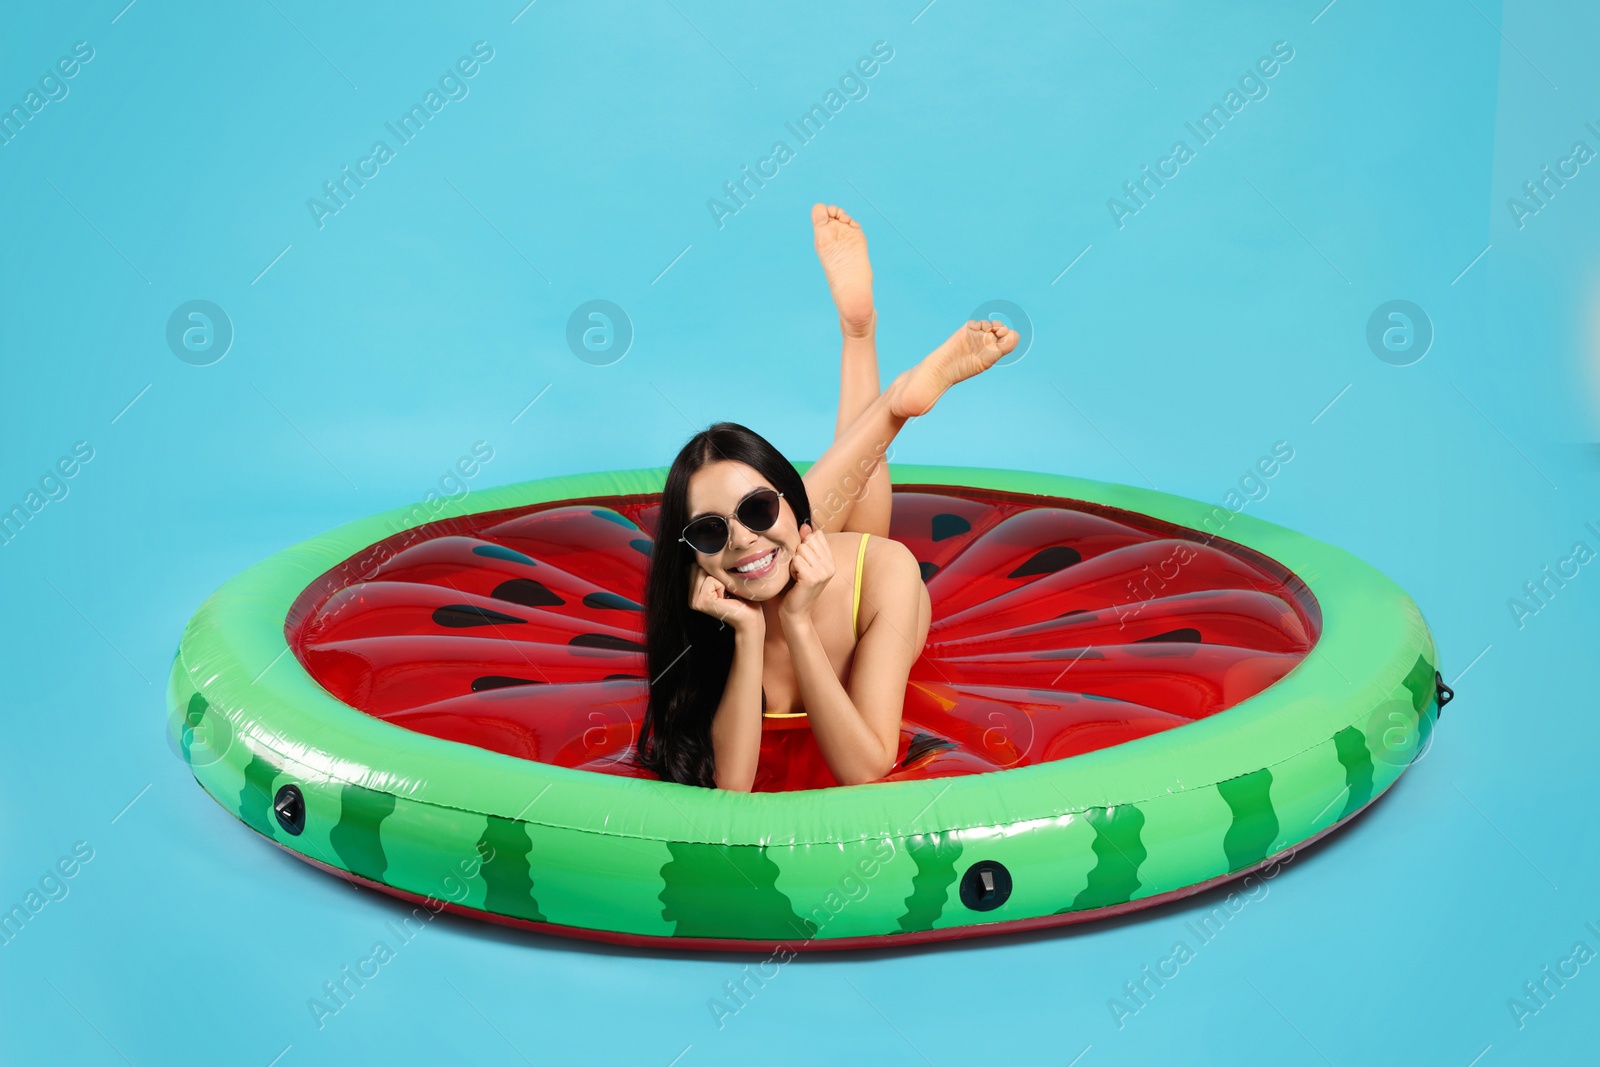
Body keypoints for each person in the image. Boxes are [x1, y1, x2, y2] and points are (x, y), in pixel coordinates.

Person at [636, 204, 1018, 791]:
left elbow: (866, 767)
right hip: (789, 561)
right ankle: (868, 353)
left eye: (757, 509)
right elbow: (730, 790)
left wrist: (797, 622)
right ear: (690, 550)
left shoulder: (886, 570)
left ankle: (878, 375)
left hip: (857, 584)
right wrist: (749, 629)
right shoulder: (710, 610)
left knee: (803, 539)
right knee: (765, 548)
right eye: (709, 531)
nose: (736, 537)